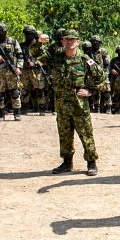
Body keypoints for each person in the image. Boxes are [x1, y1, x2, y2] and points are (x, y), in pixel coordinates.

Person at [37, 29, 107, 176]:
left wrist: (90, 91)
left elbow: (102, 79)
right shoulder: (56, 57)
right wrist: (39, 42)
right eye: (66, 39)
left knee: (86, 134)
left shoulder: (85, 59)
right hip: (62, 106)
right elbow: (36, 54)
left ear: (78, 42)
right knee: (64, 135)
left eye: (72, 40)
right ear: (62, 41)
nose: (69, 42)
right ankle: (67, 163)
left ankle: (91, 162)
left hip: (79, 106)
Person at [0, 23, 24, 121]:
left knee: (15, 92)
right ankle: (1, 114)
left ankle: (17, 113)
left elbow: (20, 55)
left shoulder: (13, 41)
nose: (2, 34)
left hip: (11, 70)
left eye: (3, 32)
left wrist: (18, 67)